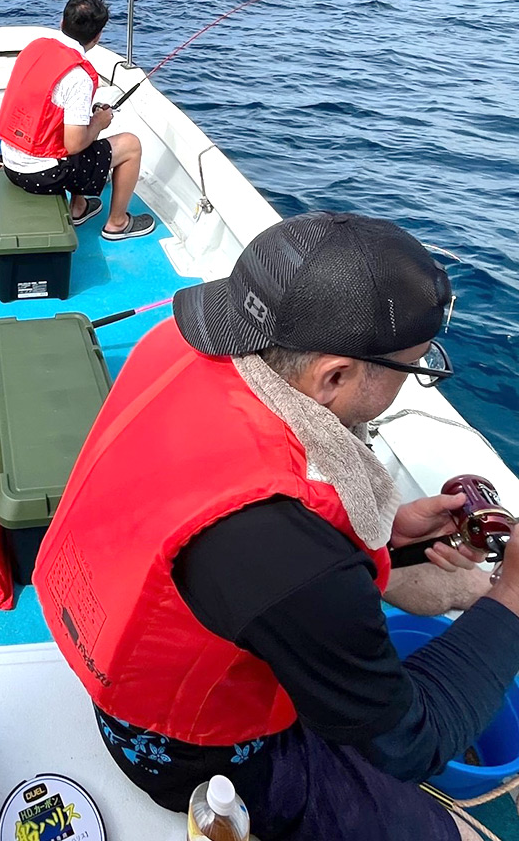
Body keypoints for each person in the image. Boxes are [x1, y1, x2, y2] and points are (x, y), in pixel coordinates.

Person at [34, 212, 509, 841]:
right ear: (335, 376)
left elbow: (224, 513)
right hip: (186, 754)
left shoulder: (178, 345)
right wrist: (511, 596)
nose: (412, 381)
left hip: (122, 665)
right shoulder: (285, 553)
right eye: (414, 367)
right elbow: (408, 741)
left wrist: (388, 534)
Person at [0, 0, 154, 241]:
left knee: (78, 131)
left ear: (62, 23)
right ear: (98, 36)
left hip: (10, 162)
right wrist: (99, 123)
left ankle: (79, 207)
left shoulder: (35, 48)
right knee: (130, 145)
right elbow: (74, 144)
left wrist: (89, 123)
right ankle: (117, 223)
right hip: (41, 177)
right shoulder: (79, 77)